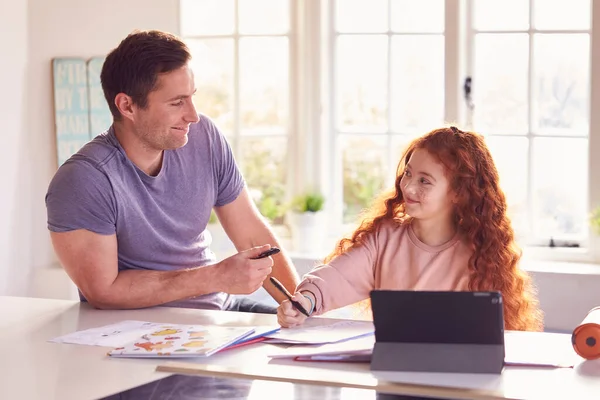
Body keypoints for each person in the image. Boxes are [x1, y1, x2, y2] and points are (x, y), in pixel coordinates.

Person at [45, 30, 299, 312]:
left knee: (325, 346)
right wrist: (215, 276)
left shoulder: (205, 137)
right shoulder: (84, 180)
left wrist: (301, 307)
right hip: (144, 330)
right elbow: (104, 292)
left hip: (221, 309)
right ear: (127, 105)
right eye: (177, 102)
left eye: (191, 97)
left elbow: (252, 235)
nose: (193, 115)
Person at [277, 126, 543, 331]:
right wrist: (306, 302)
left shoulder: (480, 254)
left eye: (425, 181)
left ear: (458, 193)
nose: (408, 187)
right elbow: (336, 277)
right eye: (408, 173)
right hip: (393, 379)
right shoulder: (384, 238)